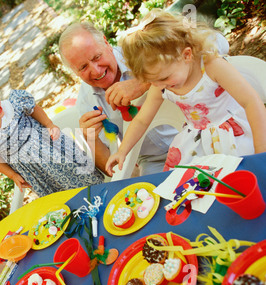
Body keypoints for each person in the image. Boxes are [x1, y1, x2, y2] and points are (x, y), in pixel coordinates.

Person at [58, 20, 229, 177]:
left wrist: (147, 80)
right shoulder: (87, 103)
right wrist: (91, 139)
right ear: (74, 71)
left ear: (106, 42)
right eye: (83, 67)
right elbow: (114, 169)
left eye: (96, 57)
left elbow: (218, 43)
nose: (96, 70)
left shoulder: (141, 49)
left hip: (196, 135)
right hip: (152, 162)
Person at [105, 10, 266, 176]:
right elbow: (141, 121)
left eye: (164, 77)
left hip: (236, 136)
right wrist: (122, 150)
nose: (159, 86)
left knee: (247, 178)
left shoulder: (211, 67)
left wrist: (261, 152)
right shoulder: (160, 85)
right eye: (152, 81)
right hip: (197, 144)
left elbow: (251, 102)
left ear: (186, 55)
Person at [0, 79, 104, 198]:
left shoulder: (13, 105)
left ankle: (101, 192)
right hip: (34, 170)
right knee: (59, 195)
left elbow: (34, 109)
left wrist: (49, 124)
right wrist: (13, 175)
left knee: (77, 173)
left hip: (51, 148)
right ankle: (79, 212)